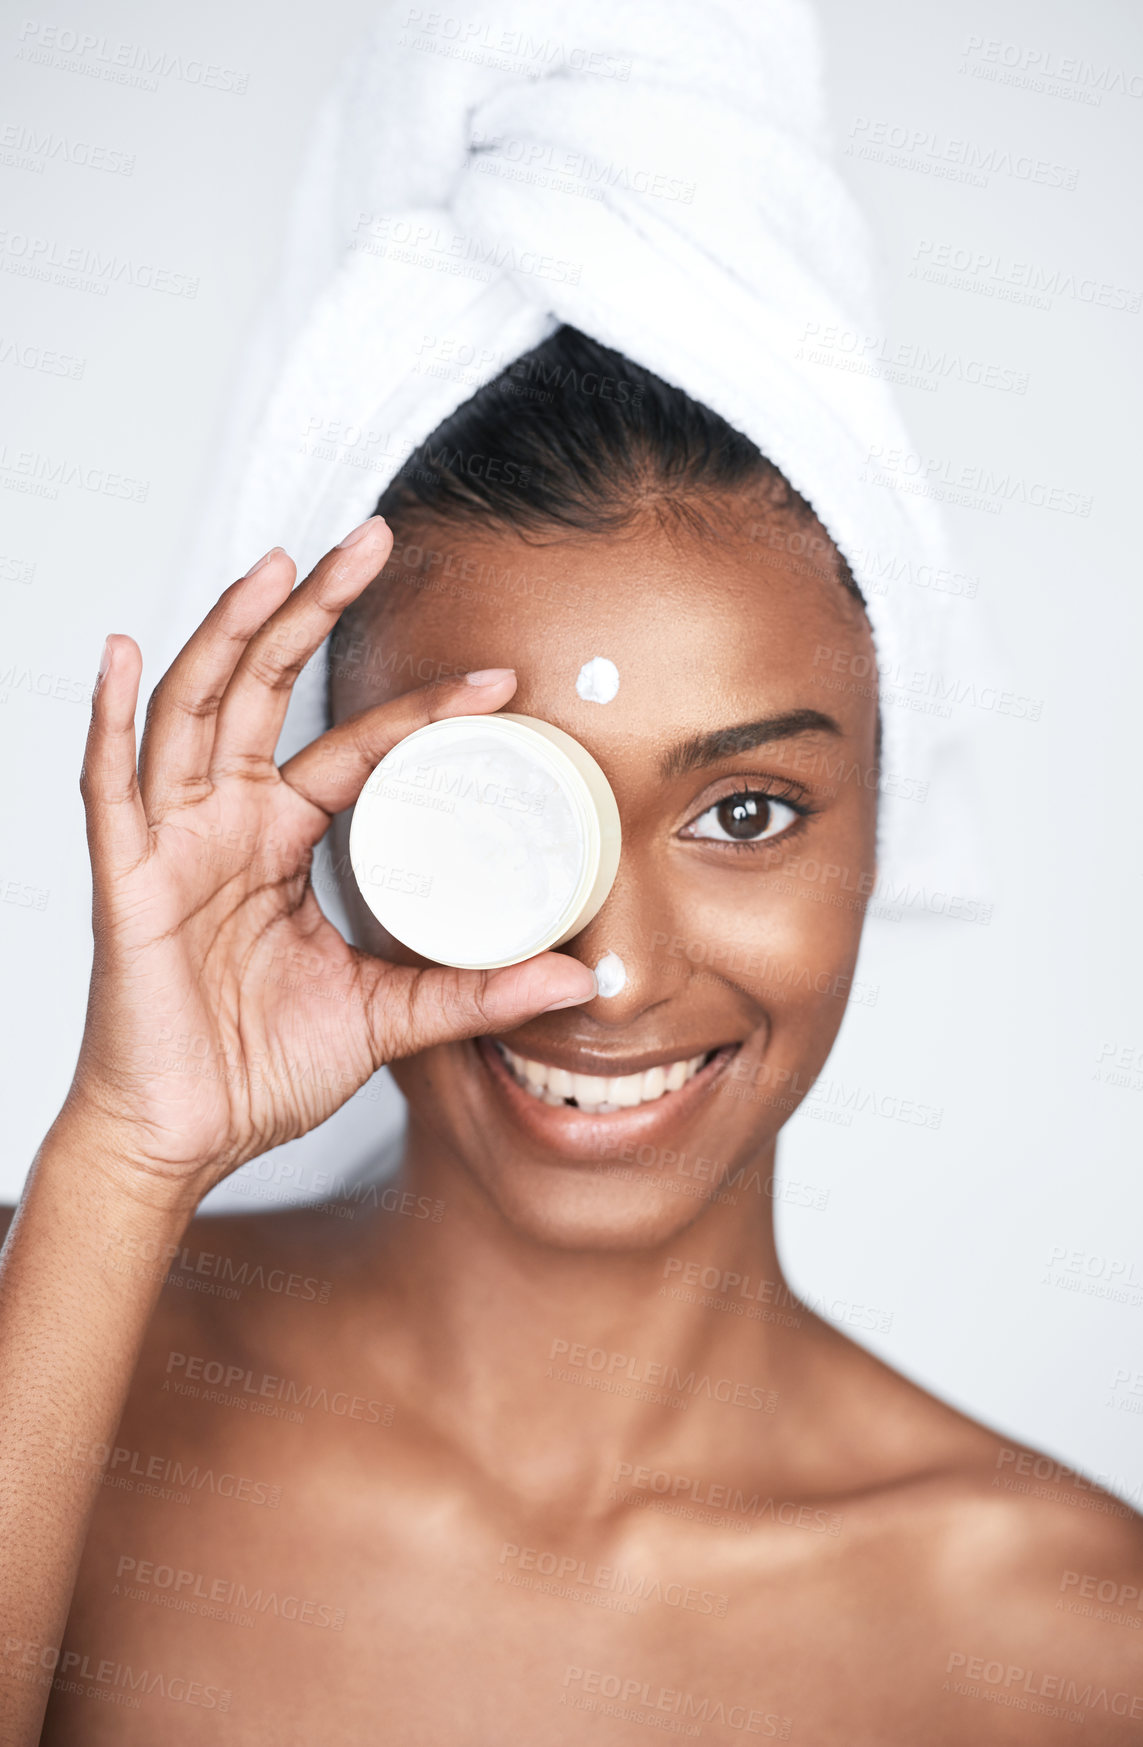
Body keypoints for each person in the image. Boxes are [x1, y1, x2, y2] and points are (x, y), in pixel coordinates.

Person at [2, 330, 1140, 1745]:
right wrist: (123, 1159)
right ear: (332, 825)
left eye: (746, 812)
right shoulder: (44, 1349)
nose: (608, 973)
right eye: (489, 809)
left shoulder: (1079, 1646)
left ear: (883, 831)